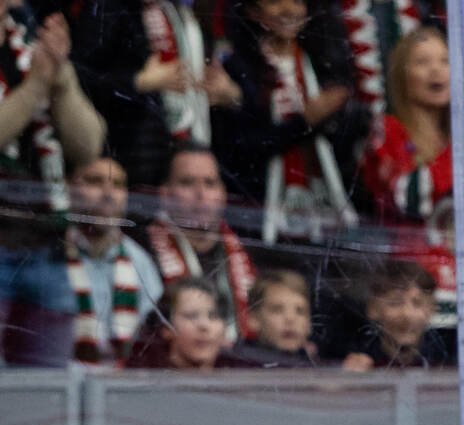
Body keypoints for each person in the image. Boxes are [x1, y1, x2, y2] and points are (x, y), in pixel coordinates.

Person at [360, 24, 464, 332]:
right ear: (402, 75)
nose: (436, 71)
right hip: (413, 298)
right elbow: (410, 197)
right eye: (422, 62)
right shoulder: (389, 130)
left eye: (445, 61)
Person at [1, 6, 106, 368]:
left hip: (44, 248)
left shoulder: (30, 37)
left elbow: (89, 144)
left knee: (48, 397)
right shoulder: (34, 69)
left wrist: (61, 77)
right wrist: (36, 86)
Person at [213, 0, 363, 245]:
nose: (288, 9)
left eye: (297, 0)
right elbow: (242, 149)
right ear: (252, 11)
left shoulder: (322, 63)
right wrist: (304, 122)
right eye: (274, 1)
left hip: (327, 212)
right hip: (262, 215)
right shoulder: (238, 68)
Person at [71, 0, 241, 190]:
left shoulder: (183, 13)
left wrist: (232, 93)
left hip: (186, 145)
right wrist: (139, 81)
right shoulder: (106, 8)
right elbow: (80, 76)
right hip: (128, 156)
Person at [148, 144, 260, 343]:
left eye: (209, 183)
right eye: (187, 183)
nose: (200, 194)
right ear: (165, 194)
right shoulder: (146, 253)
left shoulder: (249, 253)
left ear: (223, 194)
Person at [64, 153, 166, 366]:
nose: (109, 194)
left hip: (120, 385)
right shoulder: (52, 255)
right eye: (95, 181)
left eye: (118, 185)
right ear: (70, 190)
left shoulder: (140, 263)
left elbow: (150, 336)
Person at [340, 258, 450, 367]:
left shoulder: (448, 358)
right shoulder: (355, 356)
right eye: (395, 303)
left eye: (418, 303)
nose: (407, 314)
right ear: (373, 309)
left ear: (432, 309)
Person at [125, 274, 245, 368]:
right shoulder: (139, 379)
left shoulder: (245, 377)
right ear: (166, 328)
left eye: (213, 316)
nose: (204, 326)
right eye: (191, 316)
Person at [230, 267, 318, 365]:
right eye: (277, 310)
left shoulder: (314, 369)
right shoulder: (239, 365)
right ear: (253, 319)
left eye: (300, 311)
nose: (290, 318)